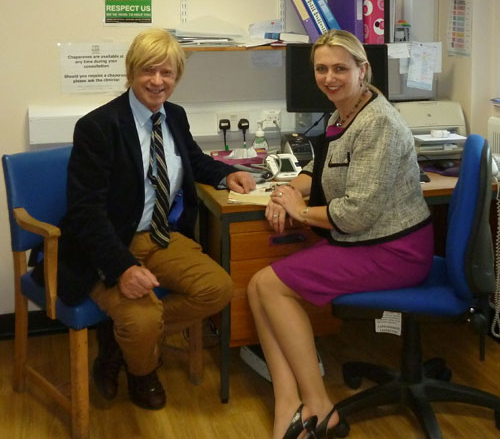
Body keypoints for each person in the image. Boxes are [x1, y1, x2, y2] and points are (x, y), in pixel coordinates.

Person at [42, 28, 255, 410]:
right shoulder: (98, 127)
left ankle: (119, 344)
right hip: (106, 243)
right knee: (140, 319)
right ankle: (142, 371)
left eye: (167, 73)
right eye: (148, 71)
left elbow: (191, 159)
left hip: (157, 236)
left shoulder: (174, 116)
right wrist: (122, 267)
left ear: (176, 78)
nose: (157, 81)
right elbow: (86, 211)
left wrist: (227, 174)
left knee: (218, 288)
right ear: (131, 72)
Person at [247, 30, 434, 439]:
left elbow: (357, 213)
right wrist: (286, 191)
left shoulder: (379, 123)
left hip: (393, 250)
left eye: (340, 68)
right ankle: (287, 402)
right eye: (321, 68)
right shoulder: (344, 112)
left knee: (273, 287)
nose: (329, 77)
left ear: (362, 70)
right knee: (258, 285)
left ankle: (320, 406)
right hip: (368, 240)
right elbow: (325, 169)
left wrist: (300, 210)